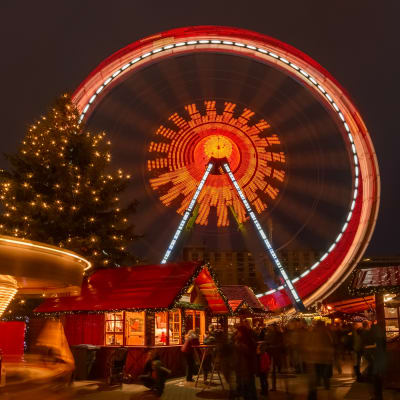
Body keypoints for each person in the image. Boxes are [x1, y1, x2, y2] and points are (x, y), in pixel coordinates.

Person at [234, 324, 258, 400]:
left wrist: (238, 345)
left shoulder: (247, 341)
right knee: (247, 385)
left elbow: (248, 352)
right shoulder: (241, 340)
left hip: (247, 367)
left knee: (249, 385)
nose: (237, 333)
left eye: (238, 332)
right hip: (243, 367)